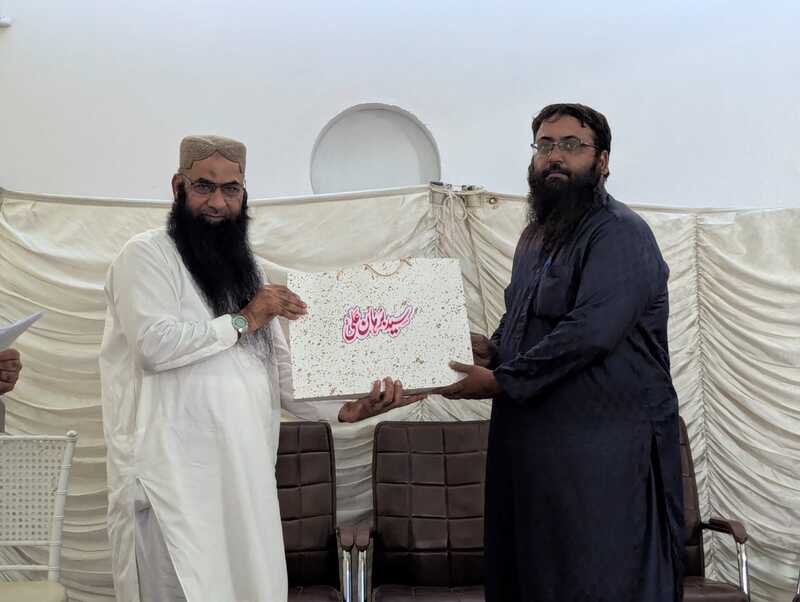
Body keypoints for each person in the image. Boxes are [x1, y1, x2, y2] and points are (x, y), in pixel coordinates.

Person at [99, 135, 422, 602]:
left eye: (231, 189)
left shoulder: (248, 270)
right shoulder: (146, 255)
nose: (217, 202)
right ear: (177, 187)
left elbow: (281, 377)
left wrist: (347, 409)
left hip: (245, 483)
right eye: (204, 186)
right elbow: (154, 345)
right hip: (172, 488)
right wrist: (245, 319)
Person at [438, 104, 685, 602]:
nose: (555, 156)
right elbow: (520, 315)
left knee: (599, 577)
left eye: (572, 145)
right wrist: (493, 350)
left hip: (603, 452)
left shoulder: (620, 232)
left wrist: (502, 381)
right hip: (532, 447)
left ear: (603, 161)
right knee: (530, 575)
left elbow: (590, 331)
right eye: (545, 145)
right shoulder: (536, 236)